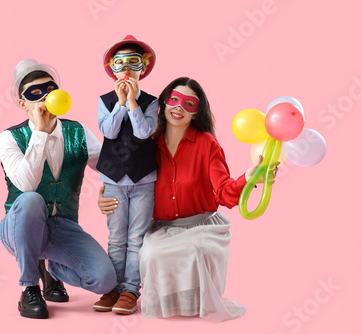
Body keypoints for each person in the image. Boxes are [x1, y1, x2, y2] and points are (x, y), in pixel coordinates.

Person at [98, 77, 279, 320]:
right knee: (149, 253)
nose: (179, 107)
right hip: (163, 228)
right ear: (164, 103)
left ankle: (192, 300)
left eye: (189, 103)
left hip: (200, 225)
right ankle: (141, 295)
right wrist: (106, 195)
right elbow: (127, 177)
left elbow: (224, 192)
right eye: (174, 100)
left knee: (195, 248)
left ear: (196, 112)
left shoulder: (207, 144)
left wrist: (249, 177)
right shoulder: (149, 142)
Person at [0, 58, 117, 319]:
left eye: (50, 90)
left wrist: (109, 189)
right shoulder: (8, 138)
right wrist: (39, 133)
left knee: (105, 280)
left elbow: (113, 168)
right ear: (22, 103)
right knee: (31, 200)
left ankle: (52, 269)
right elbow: (27, 184)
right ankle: (30, 287)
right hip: (18, 226)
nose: (44, 98)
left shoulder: (78, 132)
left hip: (63, 227)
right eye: (34, 94)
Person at [93, 35, 158, 315]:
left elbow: (144, 133)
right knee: (116, 237)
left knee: (137, 238)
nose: (127, 70)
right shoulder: (104, 100)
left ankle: (131, 290)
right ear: (112, 70)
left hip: (143, 180)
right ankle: (113, 288)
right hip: (113, 180)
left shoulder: (154, 103)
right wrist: (120, 103)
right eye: (120, 64)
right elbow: (108, 132)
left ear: (143, 68)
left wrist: (132, 102)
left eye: (134, 63)